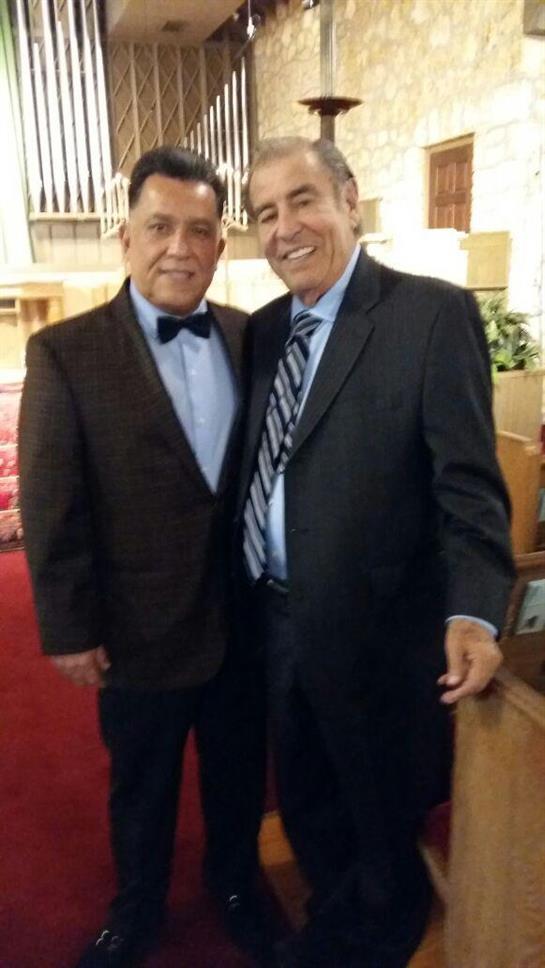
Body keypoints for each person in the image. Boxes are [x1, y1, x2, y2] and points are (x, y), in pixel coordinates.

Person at [236, 137, 515, 968]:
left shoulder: (428, 314)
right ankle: (332, 914)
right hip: (273, 613)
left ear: (349, 199)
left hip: (376, 625)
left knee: (375, 801)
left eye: (303, 200)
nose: (284, 228)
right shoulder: (260, 331)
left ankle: (376, 936)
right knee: (306, 792)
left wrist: (472, 609)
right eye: (264, 214)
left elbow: (468, 487)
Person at [18, 147, 268, 968]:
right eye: (159, 227)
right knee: (144, 785)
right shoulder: (65, 353)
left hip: (240, 618)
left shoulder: (250, 336)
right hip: (134, 625)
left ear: (221, 246)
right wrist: (67, 624)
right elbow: (53, 503)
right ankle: (137, 911)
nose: (179, 248)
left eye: (200, 231)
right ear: (125, 237)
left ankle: (236, 886)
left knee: (237, 773)